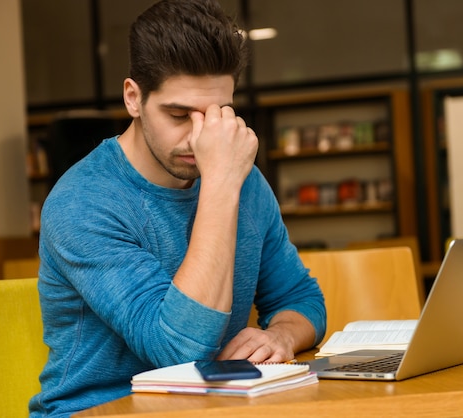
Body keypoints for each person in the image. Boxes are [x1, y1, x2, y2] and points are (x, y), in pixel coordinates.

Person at [29, 0, 326, 416]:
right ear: (133, 98)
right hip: (99, 410)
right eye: (179, 114)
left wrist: (282, 335)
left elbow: (302, 298)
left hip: (214, 406)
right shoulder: (82, 202)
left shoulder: (243, 179)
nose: (199, 137)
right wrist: (221, 183)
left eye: (216, 113)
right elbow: (177, 349)